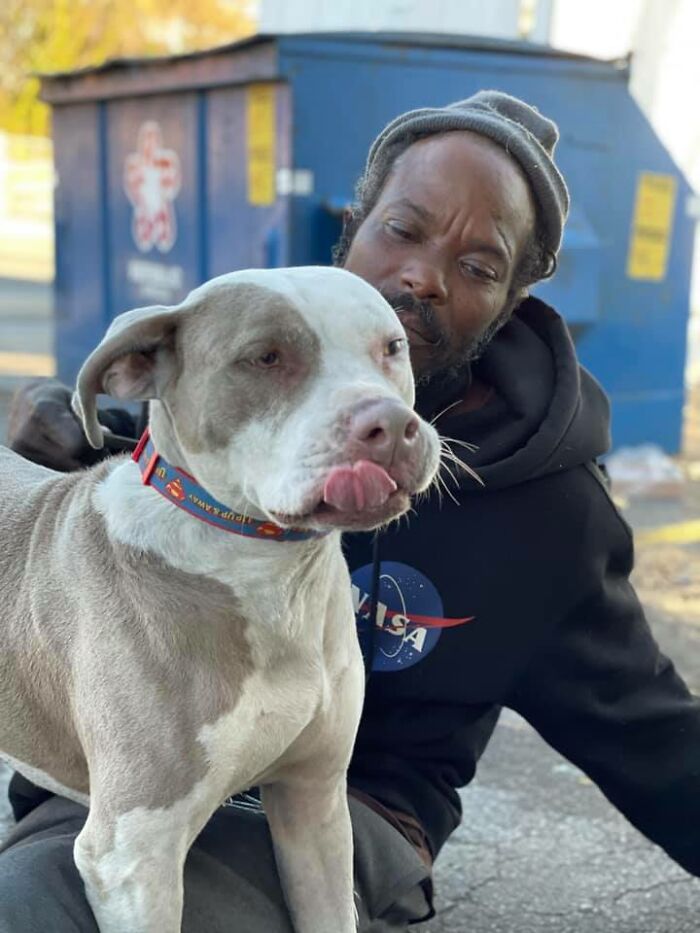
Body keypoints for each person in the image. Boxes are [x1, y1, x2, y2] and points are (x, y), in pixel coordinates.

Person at [2, 90, 700, 931]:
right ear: (356, 225)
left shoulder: (551, 515)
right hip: (109, 786)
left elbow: (656, 736)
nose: (423, 275)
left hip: (365, 805)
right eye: (403, 230)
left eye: (479, 266)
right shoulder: (194, 427)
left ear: (513, 298)